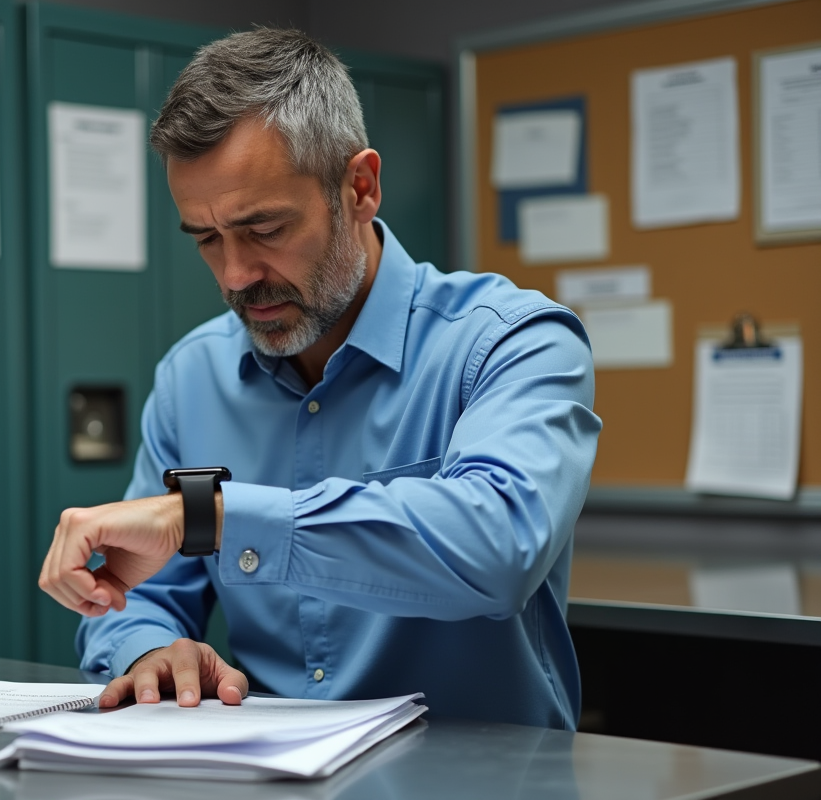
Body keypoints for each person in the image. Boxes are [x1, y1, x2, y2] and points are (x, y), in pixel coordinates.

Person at [38, 28, 601, 730]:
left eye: (265, 228)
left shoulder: (512, 342)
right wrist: (149, 650)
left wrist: (211, 515)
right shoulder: (192, 378)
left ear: (359, 188)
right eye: (207, 239)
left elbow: (497, 548)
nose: (236, 275)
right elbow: (144, 589)